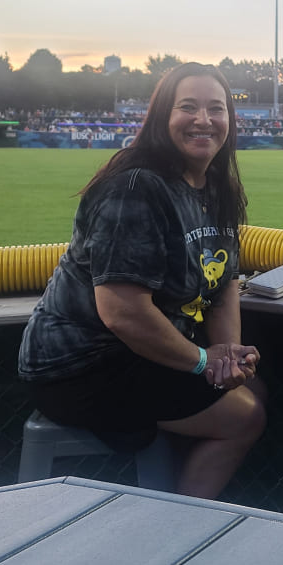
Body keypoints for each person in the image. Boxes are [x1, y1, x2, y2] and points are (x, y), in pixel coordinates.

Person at [18, 63, 265, 500]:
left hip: (138, 354)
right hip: (81, 366)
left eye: (217, 108)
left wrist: (226, 354)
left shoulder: (218, 188)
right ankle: (174, 527)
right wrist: (204, 363)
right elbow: (122, 311)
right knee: (244, 415)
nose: (204, 119)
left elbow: (224, 279)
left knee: (252, 386)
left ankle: (174, 501)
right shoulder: (135, 187)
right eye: (187, 107)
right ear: (161, 118)